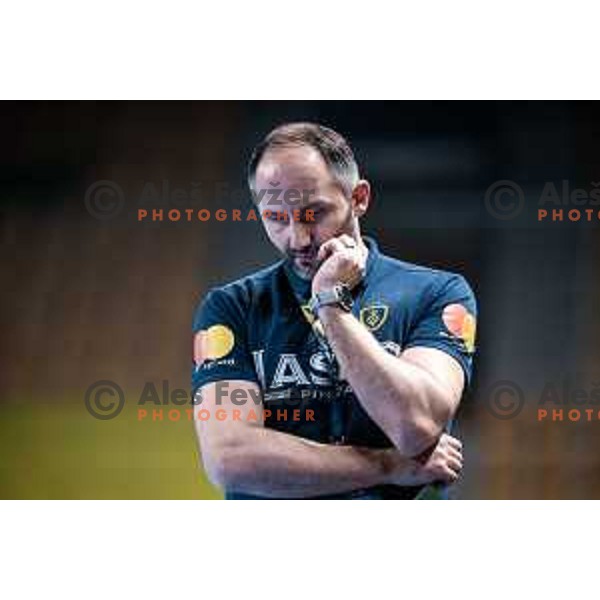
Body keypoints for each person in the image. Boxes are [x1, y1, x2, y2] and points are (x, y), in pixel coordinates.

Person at [192, 122, 477, 499]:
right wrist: (389, 466)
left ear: (358, 198)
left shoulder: (439, 293)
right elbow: (230, 460)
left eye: (314, 214)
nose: (298, 239)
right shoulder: (230, 308)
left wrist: (330, 304)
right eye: (276, 218)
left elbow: (415, 426)